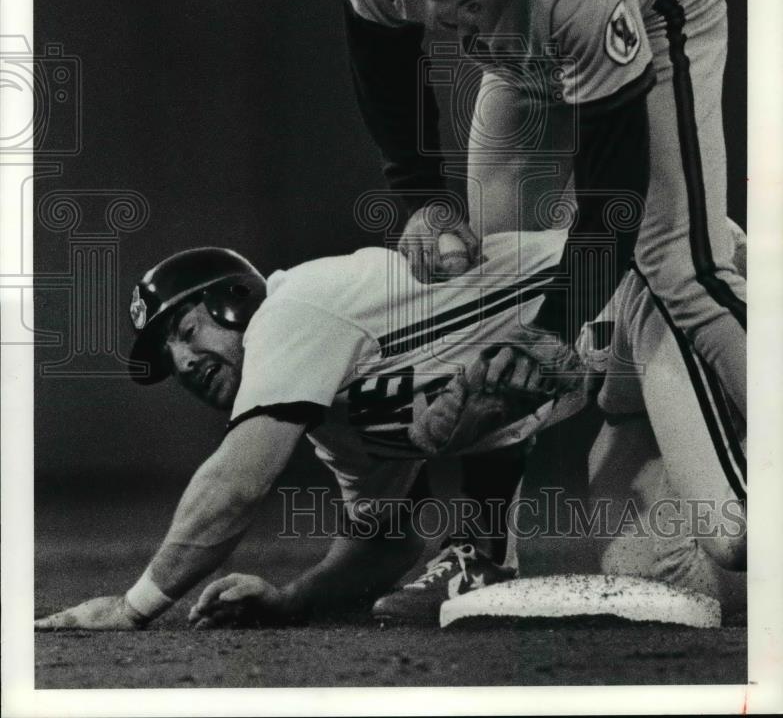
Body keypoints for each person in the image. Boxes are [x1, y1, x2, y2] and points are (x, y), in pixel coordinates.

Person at [341, 0, 746, 609]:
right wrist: (420, 200)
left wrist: (552, 332)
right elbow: (379, 62)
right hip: (523, 61)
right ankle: (481, 550)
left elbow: (613, 195)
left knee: (680, 262)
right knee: (488, 289)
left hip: (657, 16)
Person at [34, 230, 745, 632]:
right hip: (623, 376)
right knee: (676, 592)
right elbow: (386, 544)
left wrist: (136, 607)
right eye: (169, 360)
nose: (184, 363)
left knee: (734, 530)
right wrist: (291, 601)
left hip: (663, 287)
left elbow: (235, 483)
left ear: (231, 304)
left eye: (186, 333)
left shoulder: (292, 312)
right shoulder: (336, 423)